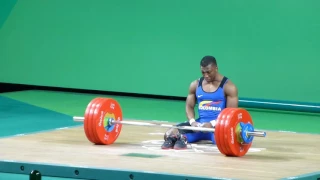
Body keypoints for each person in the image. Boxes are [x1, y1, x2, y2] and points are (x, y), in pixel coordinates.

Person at [161, 55, 239, 150]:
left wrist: (212, 123)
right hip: (200, 126)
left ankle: (184, 138)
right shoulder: (195, 85)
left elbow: (230, 115)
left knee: (226, 141)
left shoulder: (229, 87)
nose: (206, 75)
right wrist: (193, 122)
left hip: (218, 127)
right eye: (203, 72)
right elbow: (189, 106)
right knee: (169, 133)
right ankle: (183, 138)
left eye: (209, 72)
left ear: (216, 68)